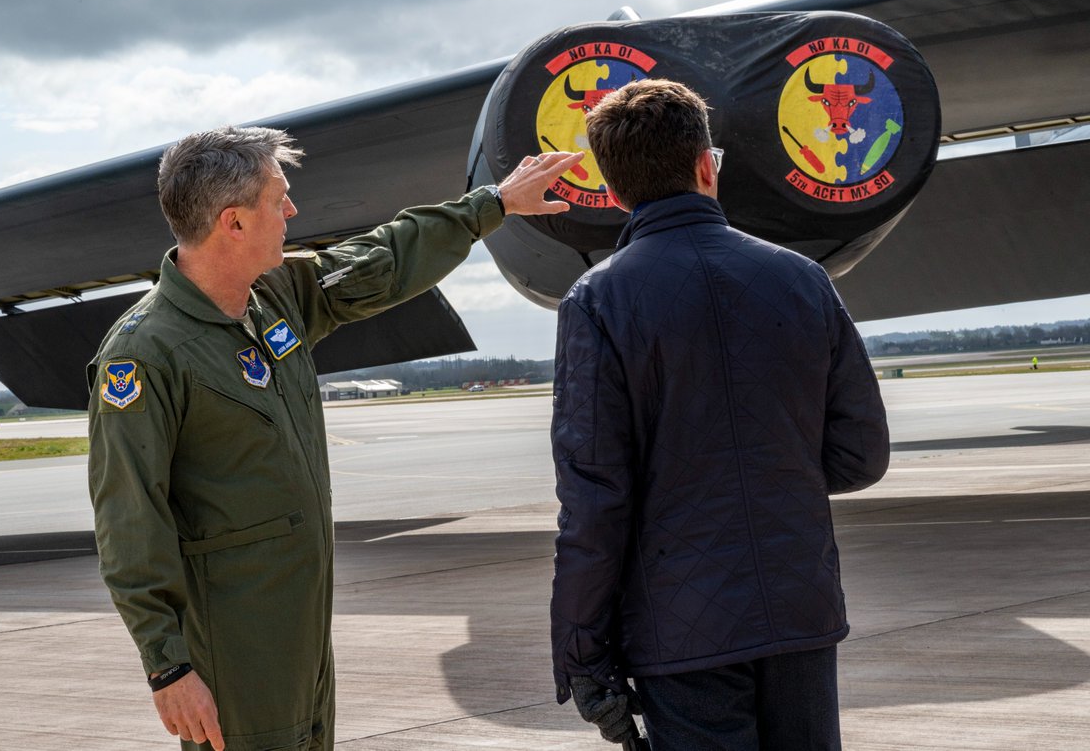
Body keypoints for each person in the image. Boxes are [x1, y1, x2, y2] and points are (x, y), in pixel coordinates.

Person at [87, 125, 582, 751]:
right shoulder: (144, 353)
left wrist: (495, 204)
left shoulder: (274, 297)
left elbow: (382, 258)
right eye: (278, 198)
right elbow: (130, 519)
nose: (292, 211)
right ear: (234, 223)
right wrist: (168, 667)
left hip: (300, 628)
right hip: (237, 644)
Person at [549, 79, 890, 749]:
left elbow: (593, 500)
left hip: (679, 631)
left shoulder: (597, 300)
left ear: (614, 191)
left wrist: (582, 656)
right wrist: (771, 478)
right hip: (799, 612)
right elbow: (860, 455)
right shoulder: (802, 278)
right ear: (708, 165)